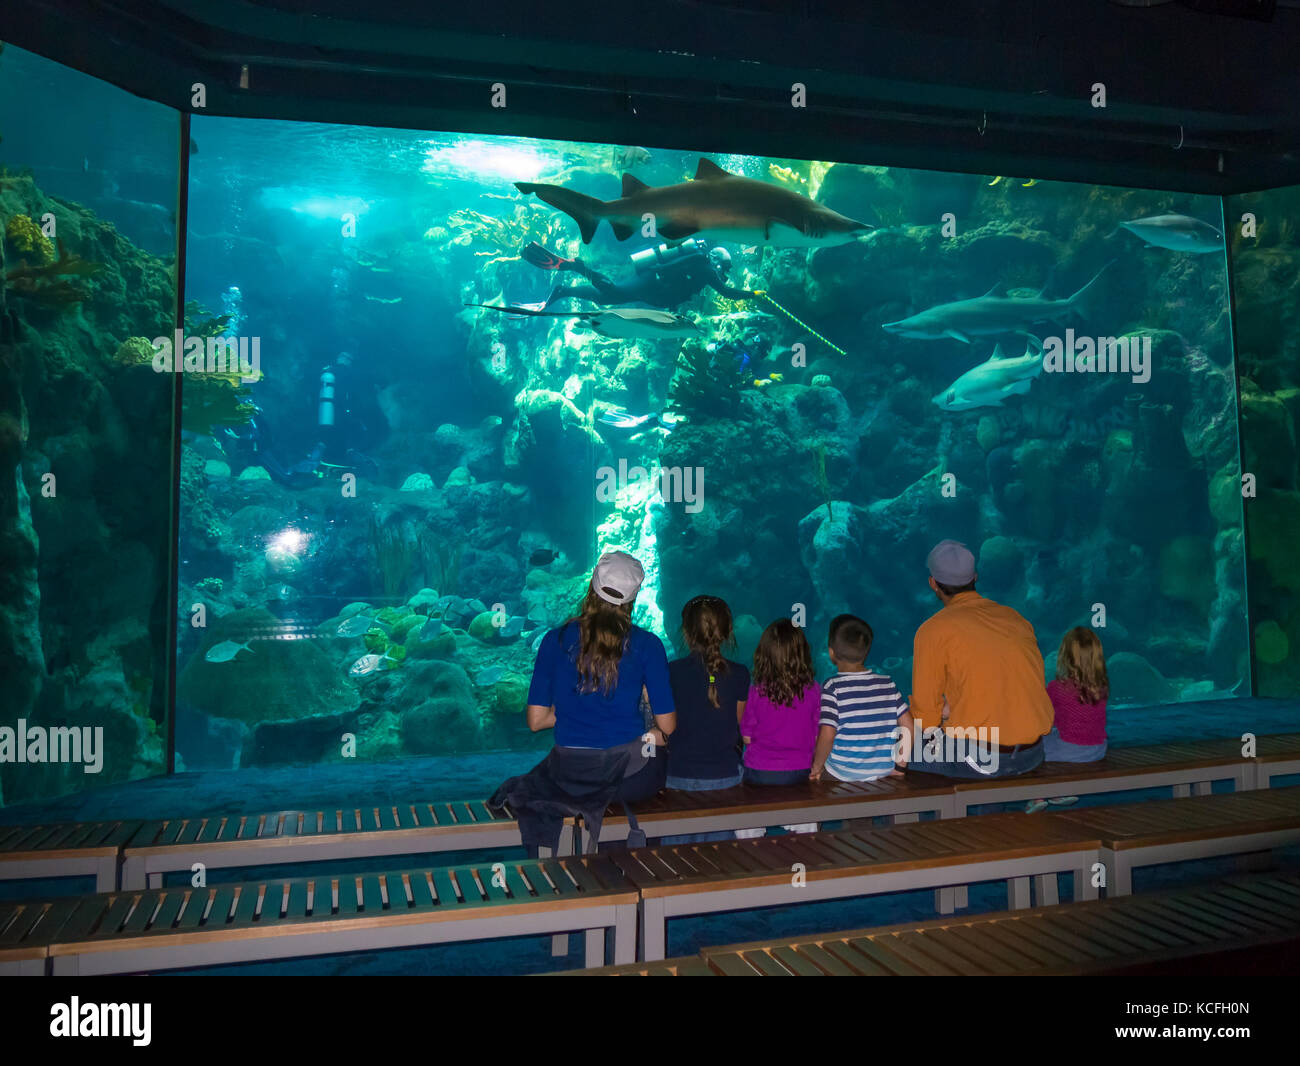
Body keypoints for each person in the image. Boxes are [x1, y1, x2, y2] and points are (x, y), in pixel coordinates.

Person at [487, 551, 676, 854]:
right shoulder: (648, 645)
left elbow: (536, 721)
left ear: (592, 587)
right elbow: (668, 725)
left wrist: (575, 713)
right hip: (630, 780)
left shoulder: (554, 640)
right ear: (633, 598)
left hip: (568, 777)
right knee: (657, 738)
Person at [908, 539, 1054, 779]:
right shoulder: (1015, 619)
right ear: (975, 577)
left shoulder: (933, 630)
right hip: (1033, 754)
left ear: (933, 584)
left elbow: (926, 718)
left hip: (982, 760)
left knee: (896, 746)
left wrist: (939, 716)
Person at [660, 595, 750, 845]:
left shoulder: (671, 672)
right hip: (726, 778)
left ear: (685, 632)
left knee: (675, 856)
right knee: (720, 858)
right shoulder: (741, 674)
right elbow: (737, 726)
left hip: (678, 777)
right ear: (727, 632)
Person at [734, 619, 821, 837]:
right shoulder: (814, 690)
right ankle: (803, 837)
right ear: (803, 654)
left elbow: (746, 738)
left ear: (763, 655)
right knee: (806, 820)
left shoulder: (756, 690)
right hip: (799, 772)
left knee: (745, 812)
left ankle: (751, 835)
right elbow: (818, 732)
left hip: (759, 773)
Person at [811, 614, 913, 783]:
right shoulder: (887, 683)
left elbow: (828, 734)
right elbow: (908, 725)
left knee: (816, 777)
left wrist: (816, 766)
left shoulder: (832, 686)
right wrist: (900, 766)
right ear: (866, 651)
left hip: (842, 773)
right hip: (884, 770)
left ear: (831, 653)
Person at [522, 239, 757, 310]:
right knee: (611, 291)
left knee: (606, 298)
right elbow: (728, 293)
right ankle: (578, 266)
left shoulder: (701, 267)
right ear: (714, 259)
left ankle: (564, 291)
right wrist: (753, 294)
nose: (723, 272)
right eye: (724, 266)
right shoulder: (705, 268)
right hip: (651, 283)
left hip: (653, 287)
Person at [1026, 627, 1110, 811]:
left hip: (1071, 749)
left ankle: (1038, 797)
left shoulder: (1057, 687)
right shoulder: (1102, 686)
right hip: (1098, 748)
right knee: (1052, 739)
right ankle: (1057, 793)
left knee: (1031, 751)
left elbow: (1044, 715)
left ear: (1065, 656)